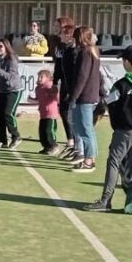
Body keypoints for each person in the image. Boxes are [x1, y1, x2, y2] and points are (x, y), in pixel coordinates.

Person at [84, 45, 132, 212]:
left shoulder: (121, 85)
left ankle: (106, 201)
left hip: (127, 129)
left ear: (127, 62)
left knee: (114, 161)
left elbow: (109, 105)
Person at [69, 26, 102, 173]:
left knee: (85, 128)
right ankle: (90, 158)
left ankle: (89, 161)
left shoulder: (85, 53)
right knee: (85, 128)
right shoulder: (93, 51)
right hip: (90, 95)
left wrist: (74, 96)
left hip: (85, 96)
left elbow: (82, 77)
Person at [52, 17, 79, 157]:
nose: (55, 28)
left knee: (70, 112)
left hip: (72, 85)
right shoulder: (58, 44)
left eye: (58, 26)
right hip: (64, 82)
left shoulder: (74, 46)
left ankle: (75, 144)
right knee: (63, 111)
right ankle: (70, 141)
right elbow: (58, 64)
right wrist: (55, 81)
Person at [0, 37, 23, 149]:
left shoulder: (11, 59)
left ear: (6, 47)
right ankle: (2, 140)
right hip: (2, 90)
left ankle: (16, 136)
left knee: (8, 113)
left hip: (13, 90)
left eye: (1, 46)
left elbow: (11, 77)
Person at [35, 69, 61, 155]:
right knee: (42, 131)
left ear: (48, 78)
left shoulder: (50, 86)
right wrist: (31, 99)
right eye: (38, 76)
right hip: (43, 114)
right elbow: (38, 99)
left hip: (51, 114)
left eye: (41, 77)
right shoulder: (38, 88)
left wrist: (53, 93)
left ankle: (53, 145)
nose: (39, 78)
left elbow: (57, 97)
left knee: (48, 130)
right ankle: (46, 146)